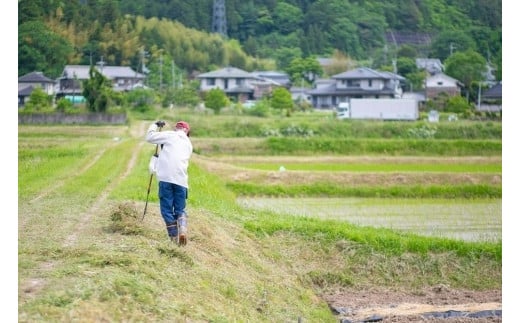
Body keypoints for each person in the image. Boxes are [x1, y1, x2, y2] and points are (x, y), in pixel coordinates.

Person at [145, 120, 193, 245]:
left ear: (176, 128)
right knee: (180, 209)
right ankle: (182, 228)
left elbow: (149, 137)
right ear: (187, 132)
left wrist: (155, 125)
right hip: (181, 180)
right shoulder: (188, 144)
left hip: (166, 178)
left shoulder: (171, 135)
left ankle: (173, 238)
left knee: (166, 210)